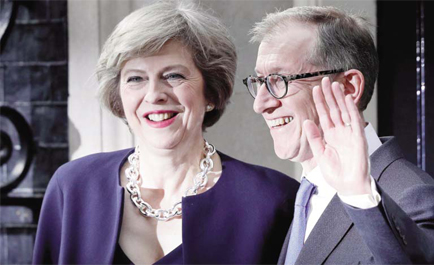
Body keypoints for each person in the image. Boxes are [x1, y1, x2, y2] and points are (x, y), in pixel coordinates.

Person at [32, 1, 299, 264]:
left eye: (173, 76)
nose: (154, 95)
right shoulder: (73, 188)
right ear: (119, 96)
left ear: (211, 92)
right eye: (136, 78)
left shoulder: (272, 200)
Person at [245, 6, 434, 264]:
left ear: (348, 87)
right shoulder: (291, 197)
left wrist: (359, 193)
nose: (261, 104)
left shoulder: (411, 194)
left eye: (278, 80)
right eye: (260, 81)